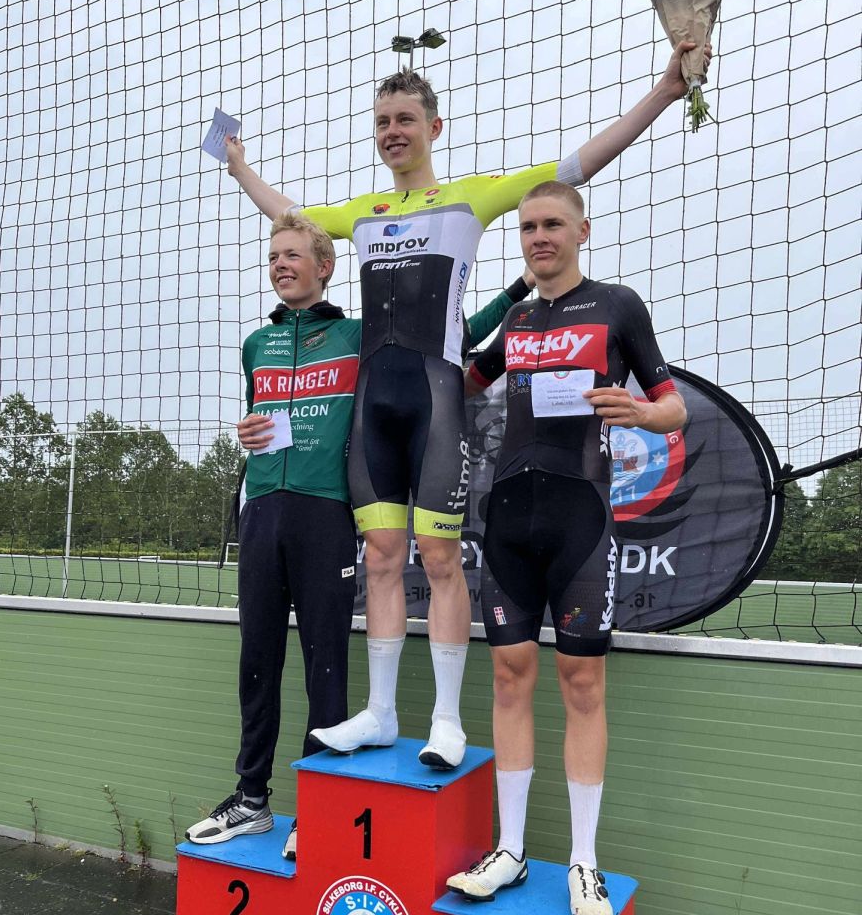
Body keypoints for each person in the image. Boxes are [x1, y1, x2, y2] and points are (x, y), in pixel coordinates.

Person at [225, 40, 709, 772]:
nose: (392, 131)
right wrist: (239, 168)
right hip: (375, 407)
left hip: (436, 398)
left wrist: (665, 92)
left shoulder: (471, 198)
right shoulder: (362, 213)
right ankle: (381, 713)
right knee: (382, 556)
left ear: (434, 127)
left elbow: (574, 166)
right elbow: (288, 213)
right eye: (382, 121)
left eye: (405, 119)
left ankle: (445, 720)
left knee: (441, 556)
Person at [186, 213, 529, 858]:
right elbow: (260, 418)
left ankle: (317, 809)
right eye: (274, 256)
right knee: (257, 658)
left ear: (325, 266)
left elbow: (453, 331)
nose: (281, 265)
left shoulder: (358, 334)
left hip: (325, 511)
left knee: (326, 663)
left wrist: (518, 291)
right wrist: (246, 431)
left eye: (293, 255)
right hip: (261, 509)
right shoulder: (256, 344)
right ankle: (252, 799)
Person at [445, 181, 686, 915]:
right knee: (508, 678)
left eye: (552, 224)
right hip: (507, 518)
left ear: (582, 230)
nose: (539, 236)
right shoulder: (517, 317)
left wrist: (640, 411)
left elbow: (673, 405)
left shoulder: (618, 306)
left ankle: (584, 861)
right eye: (528, 227)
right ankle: (510, 850)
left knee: (581, 684)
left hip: (581, 517)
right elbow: (465, 381)